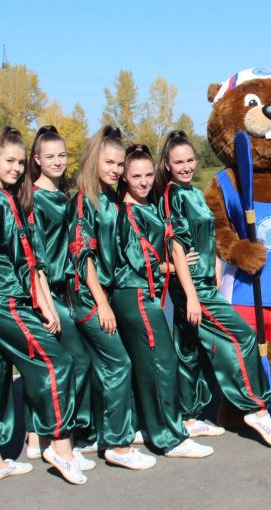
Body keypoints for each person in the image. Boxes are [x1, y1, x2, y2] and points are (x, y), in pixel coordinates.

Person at [0, 126, 86, 484]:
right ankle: (60, 446)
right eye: (10, 161)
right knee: (56, 362)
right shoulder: (3, 201)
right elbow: (25, 260)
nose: (16, 169)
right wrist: (44, 306)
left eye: (19, 162)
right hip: (3, 300)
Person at [155, 130, 271, 448]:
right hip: (193, 288)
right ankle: (255, 407)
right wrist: (192, 297)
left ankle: (188, 417)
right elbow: (175, 247)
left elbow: (208, 235)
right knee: (243, 337)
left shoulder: (194, 193)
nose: (186, 166)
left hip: (203, 281)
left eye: (189, 160)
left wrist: (215, 267)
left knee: (189, 351)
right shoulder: (171, 196)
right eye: (178, 162)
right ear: (167, 165)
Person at [111, 143, 213, 458]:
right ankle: (169, 438)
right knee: (162, 362)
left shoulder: (149, 206)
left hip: (147, 295)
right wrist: (172, 266)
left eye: (147, 175)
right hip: (136, 295)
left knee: (149, 364)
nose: (143, 182)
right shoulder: (128, 213)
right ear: (124, 178)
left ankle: (149, 426)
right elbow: (142, 262)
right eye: (136, 176)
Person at [67, 126, 156, 470]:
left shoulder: (109, 199)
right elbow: (82, 255)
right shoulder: (84, 201)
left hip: (103, 294)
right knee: (119, 363)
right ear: (95, 161)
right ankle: (118, 446)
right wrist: (102, 303)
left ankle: (103, 434)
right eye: (110, 163)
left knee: (106, 366)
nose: (116, 170)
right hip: (87, 297)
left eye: (120, 164)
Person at [23, 126, 96, 466]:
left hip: (66, 290)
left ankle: (46, 434)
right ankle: (58, 434)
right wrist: (45, 303)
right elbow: (34, 255)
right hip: (47, 292)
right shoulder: (34, 198)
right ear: (37, 160)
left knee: (51, 365)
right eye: (49, 156)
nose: (57, 161)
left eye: (62, 155)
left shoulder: (64, 195)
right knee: (74, 360)